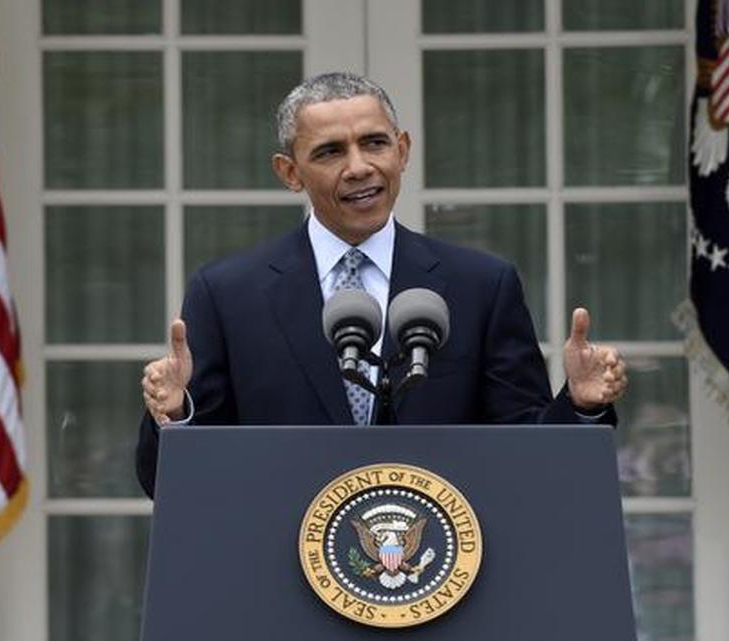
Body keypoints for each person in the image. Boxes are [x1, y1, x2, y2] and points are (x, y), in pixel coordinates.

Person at [137, 73, 627, 497]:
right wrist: (176, 416)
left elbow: (531, 457)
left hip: (444, 562)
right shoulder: (228, 294)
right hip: (279, 562)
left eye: (375, 143)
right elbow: (170, 482)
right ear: (290, 173)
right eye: (330, 152)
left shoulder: (480, 285)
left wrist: (581, 405)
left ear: (403, 149)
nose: (359, 168)